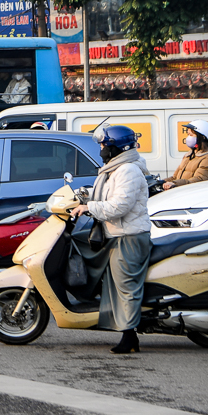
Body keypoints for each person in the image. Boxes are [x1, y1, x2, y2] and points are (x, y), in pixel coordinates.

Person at [71, 125, 151, 354]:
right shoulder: (114, 169)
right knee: (114, 283)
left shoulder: (128, 170)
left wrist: (89, 207)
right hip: (116, 234)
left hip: (129, 236)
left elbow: (119, 206)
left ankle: (130, 337)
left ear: (117, 147)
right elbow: (106, 195)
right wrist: (82, 196)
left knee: (126, 286)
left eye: (104, 145)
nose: (101, 149)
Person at [164, 120, 208, 190]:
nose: (188, 138)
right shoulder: (188, 155)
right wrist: (162, 182)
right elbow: (175, 177)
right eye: (188, 134)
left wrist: (174, 183)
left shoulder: (206, 157)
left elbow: (199, 179)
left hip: (191, 194)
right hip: (180, 192)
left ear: (202, 137)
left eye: (191, 135)